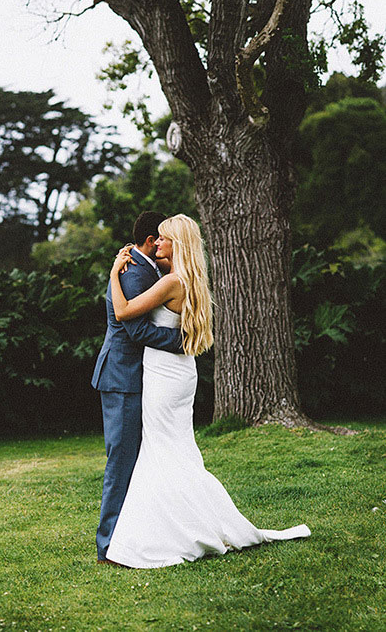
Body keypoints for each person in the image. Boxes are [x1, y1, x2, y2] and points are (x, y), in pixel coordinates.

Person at [104, 213, 310, 568]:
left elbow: (123, 314)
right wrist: (184, 342)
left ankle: (167, 532)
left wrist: (112, 272)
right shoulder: (192, 279)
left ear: (177, 244)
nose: (159, 243)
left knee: (164, 451)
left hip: (164, 379)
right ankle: (183, 523)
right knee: (176, 452)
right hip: (180, 375)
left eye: (165, 238)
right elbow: (187, 334)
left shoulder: (170, 282)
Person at [91, 210, 183, 564]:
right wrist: (182, 340)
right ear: (149, 241)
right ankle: (108, 545)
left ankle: (132, 534)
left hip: (135, 376)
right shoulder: (132, 271)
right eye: (159, 238)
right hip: (122, 377)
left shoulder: (150, 269)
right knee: (121, 461)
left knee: (137, 460)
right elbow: (135, 329)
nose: (161, 244)